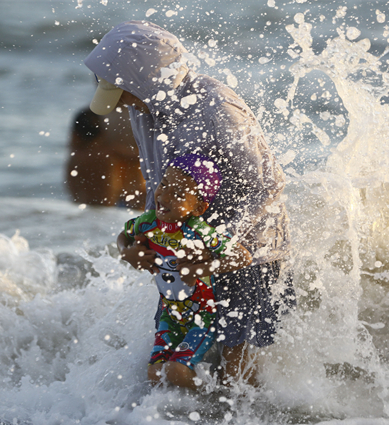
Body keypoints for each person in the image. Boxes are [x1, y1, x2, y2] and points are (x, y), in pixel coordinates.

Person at [86, 21, 292, 386]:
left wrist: (228, 248)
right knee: (180, 354)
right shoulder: (144, 109)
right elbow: (158, 183)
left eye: (122, 91)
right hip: (188, 245)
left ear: (146, 79)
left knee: (236, 359)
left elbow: (268, 188)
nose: (120, 102)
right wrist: (139, 243)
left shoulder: (218, 109)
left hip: (247, 246)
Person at [119, 154, 252, 389]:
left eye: (178, 193)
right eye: (163, 184)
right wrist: (126, 253)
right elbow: (124, 236)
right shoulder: (148, 222)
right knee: (155, 373)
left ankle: (210, 400)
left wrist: (201, 268)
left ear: (199, 207)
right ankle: (176, 417)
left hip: (202, 316)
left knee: (175, 370)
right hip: (168, 315)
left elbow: (242, 256)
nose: (164, 195)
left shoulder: (200, 232)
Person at [64, 106, 146, 209]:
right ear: (102, 133)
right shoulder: (109, 152)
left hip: (79, 209)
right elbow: (143, 158)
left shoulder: (75, 156)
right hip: (107, 210)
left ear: (75, 134)